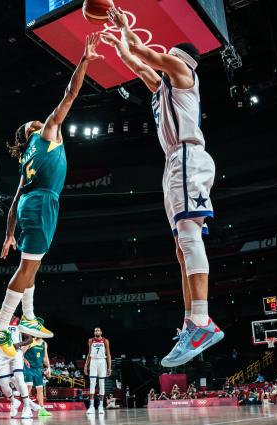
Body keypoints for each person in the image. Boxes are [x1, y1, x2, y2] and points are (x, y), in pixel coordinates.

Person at [99, 8, 224, 367]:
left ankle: (203, 321)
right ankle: (191, 322)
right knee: (180, 249)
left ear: (182, 59)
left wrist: (124, 26)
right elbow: (136, 63)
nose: (165, 59)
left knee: (189, 237)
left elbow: (147, 55)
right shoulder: (162, 86)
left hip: (188, 155)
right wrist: (118, 42)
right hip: (174, 161)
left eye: (170, 54)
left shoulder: (184, 73)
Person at [0, 33, 105, 357]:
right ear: (31, 133)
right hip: (40, 205)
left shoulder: (27, 159)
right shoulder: (47, 133)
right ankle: (1, 328)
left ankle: (28, 318)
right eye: (31, 124)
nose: (36, 120)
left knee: (33, 266)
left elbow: (13, 202)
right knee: (27, 269)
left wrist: (9, 235)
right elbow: (70, 94)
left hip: (34, 205)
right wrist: (85, 60)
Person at [0, 316, 38, 418]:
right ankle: (14, 401)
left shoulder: (18, 321)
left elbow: (29, 339)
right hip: (3, 354)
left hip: (16, 353)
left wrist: (18, 344)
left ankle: (27, 407)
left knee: (18, 377)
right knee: (3, 384)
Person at [84, 327, 112, 414]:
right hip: (93, 361)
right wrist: (86, 365)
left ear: (101, 332)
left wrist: (109, 367)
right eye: (95, 330)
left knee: (102, 384)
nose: (97, 331)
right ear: (94, 332)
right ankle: (91, 406)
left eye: (98, 330)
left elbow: (108, 354)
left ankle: (100, 406)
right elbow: (89, 353)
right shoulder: (90, 340)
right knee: (92, 384)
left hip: (102, 361)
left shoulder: (105, 341)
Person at [22, 336, 52, 416]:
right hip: (28, 368)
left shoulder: (44, 344)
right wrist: (24, 360)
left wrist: (48, 367)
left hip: (38, 369)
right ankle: (26, 409)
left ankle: (41, 410)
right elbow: (20, 353)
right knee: (29, 387)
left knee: (40, 389)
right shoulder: (30, 341)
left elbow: (45, 357)